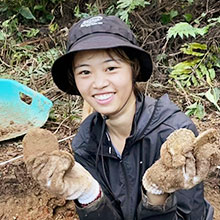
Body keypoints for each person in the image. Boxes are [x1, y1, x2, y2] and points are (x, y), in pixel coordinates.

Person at [26, 15, 215, 220]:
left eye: (111, 68)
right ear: (74, 79)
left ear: (133, 69)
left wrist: (156, 194)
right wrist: (88, 193)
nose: (98, 83)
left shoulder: (173, 134)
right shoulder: (86, 141)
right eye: (85, 72)